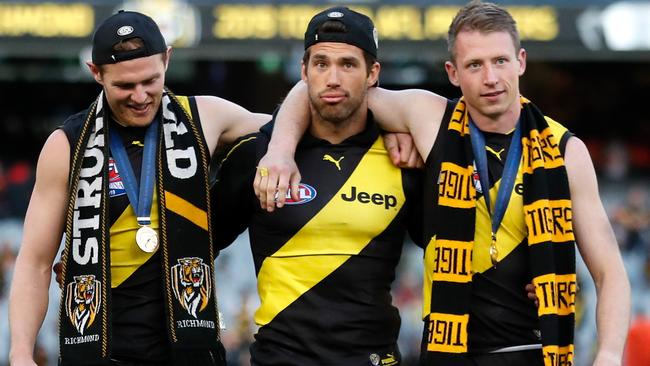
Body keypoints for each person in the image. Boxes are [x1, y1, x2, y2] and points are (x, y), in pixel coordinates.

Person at [255, 1, 631, 365]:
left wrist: (609, 354)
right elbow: (326, 90)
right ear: (453, 73)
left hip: (530, 352)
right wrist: (281, 151)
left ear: (520, 61)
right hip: (447, 352)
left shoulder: (565, 150)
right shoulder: (428, 118)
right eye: (474, 65)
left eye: (500, 60)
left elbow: (609, 272)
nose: (490, 78)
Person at [8, 10, 271, 366]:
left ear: (168, 59)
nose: (140, 96)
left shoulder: (204, 117)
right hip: (101, 349)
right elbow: (35, 263)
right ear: (96, 73)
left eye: (151, 80)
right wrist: (21, 352)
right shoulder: (65, 145)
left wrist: (373, 100)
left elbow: (287, 127)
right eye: (124, 86)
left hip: (192, 348)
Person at [211, 6, 423, 365]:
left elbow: (451, 246)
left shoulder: (405, 156)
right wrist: (207, 330)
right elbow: (193, 249)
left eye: (348, 65)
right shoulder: (259, 155)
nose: (333, 78)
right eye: (321, 64)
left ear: (373, 74)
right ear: (304, 71)